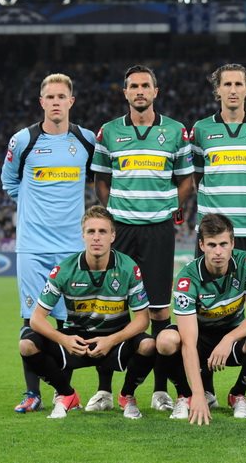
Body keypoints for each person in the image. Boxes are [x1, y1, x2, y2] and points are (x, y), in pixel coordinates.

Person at [91, 64, 194, 413]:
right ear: (125, 92)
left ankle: (160, 390)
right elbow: (101, 179)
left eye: (145, 86)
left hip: (158, 230)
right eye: (133, 86)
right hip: (121, 229)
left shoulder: (176, 131)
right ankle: (104, 390)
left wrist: (169, 208)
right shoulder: (108, 132)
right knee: (111, 306)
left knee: (159, 309)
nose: (139, 91)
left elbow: (186, 181)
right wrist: (113, 214)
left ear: (155, 91)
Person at [1, 73, 98, 413]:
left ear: (71, 101)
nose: (56, 102)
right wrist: (33, 209)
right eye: (50, 97)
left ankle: (62, 392)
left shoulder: (85, 140)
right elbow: (9, 182)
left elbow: (98, 177)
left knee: (68, 323)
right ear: (41, 102)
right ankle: (33, 393)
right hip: (33, 247)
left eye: (61, 96)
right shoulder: (23, 140)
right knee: (32, 320)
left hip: (72, 248)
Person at [191, 63, 246, 410]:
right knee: (204, 308)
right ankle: (207, 388)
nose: (232, 89)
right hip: (212, 232)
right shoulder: (200, 130)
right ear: (218, 90)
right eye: (226, 84)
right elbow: (196, 175)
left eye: (238, 84)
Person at [18, 206, 156, 419]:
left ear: (112, 236)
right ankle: (67, 394)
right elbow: (36, 318)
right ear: (82, 235)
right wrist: (63, 339)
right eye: (91, 231)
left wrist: (111, 340)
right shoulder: (65, 269)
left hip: (115, 342)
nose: (96, 237)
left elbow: (143, 319)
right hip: (76, 341)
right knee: (26, 345)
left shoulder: (128, 267)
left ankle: (127, 395)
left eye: (102, 231)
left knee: (148, 345)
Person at [155, 214, 246, 424]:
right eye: (212, 245)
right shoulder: (187, 279)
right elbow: (188, 343)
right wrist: (198, 394)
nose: (218, 251)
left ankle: (238, 393)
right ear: (202, 245)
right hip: (199, 338)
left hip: (232, 335)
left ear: (232, 243)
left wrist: (228, 339)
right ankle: (186, 395)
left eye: (223, 244)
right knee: (165, 341)